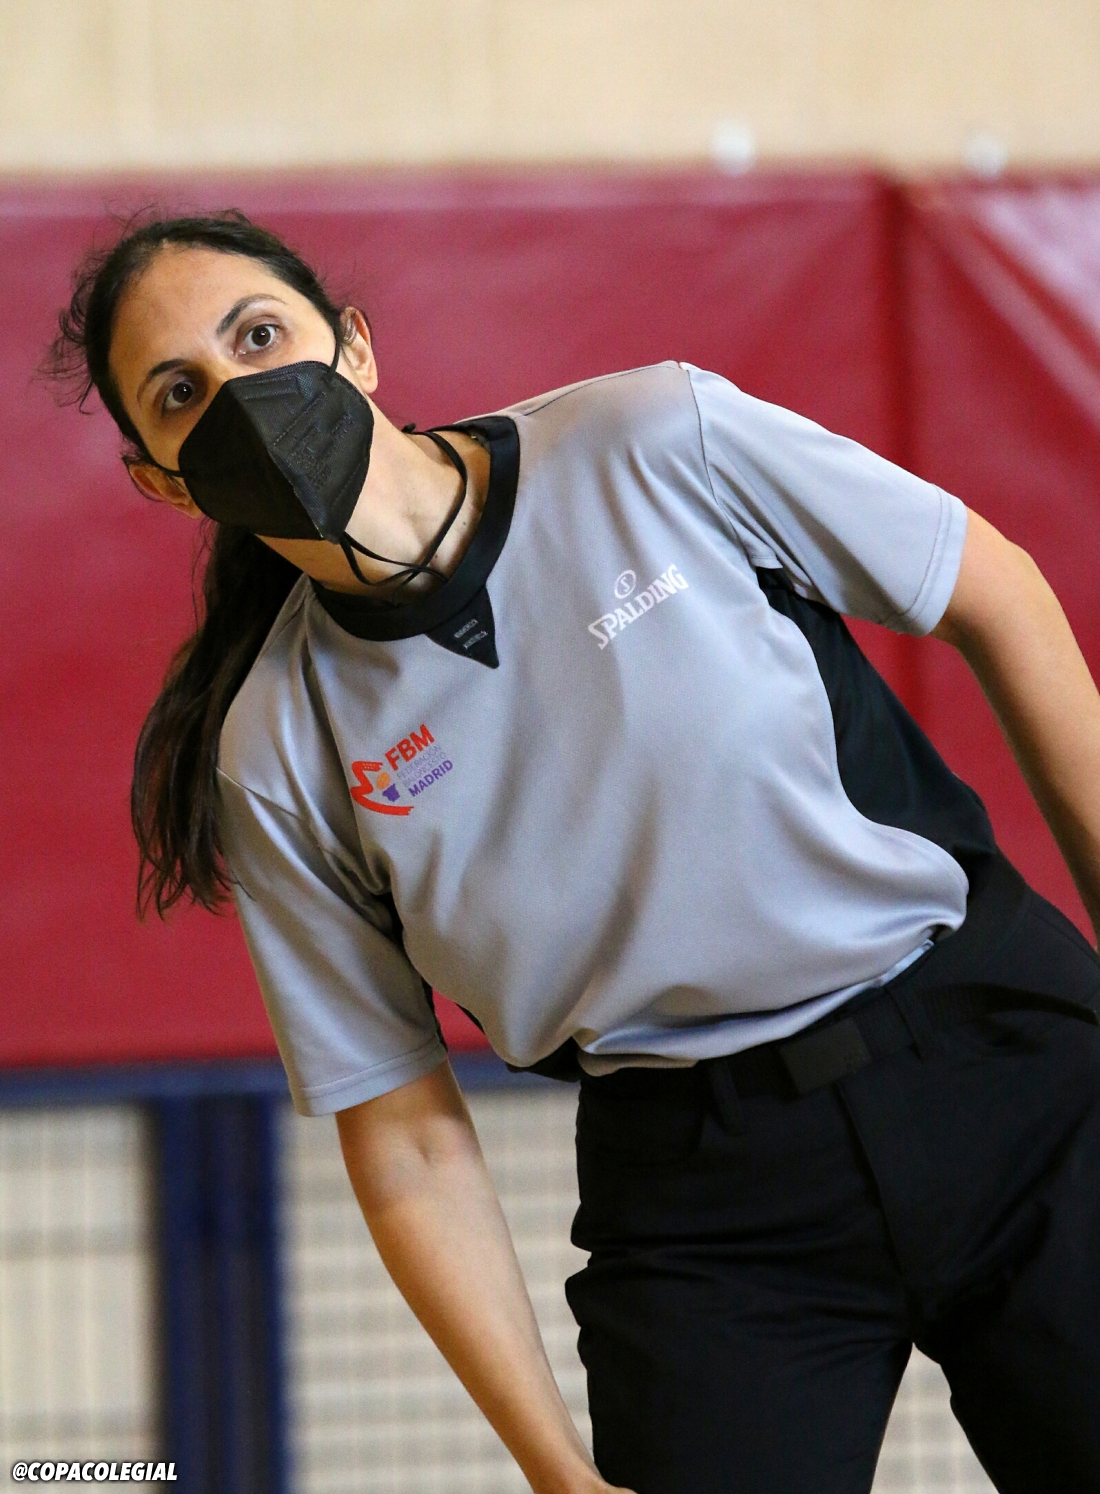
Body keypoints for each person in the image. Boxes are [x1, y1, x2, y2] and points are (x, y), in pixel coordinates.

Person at [54, 211, 1100, 1494]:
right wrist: (553, 1467)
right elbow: (405, 1136)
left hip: (1000, 1061)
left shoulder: (650, 436)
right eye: (180, 393)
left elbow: (997, 594)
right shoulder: (274, 750)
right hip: (706, 1203)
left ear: (355, 345)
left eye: (259, 336)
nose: (239, 395)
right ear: (163, 481)